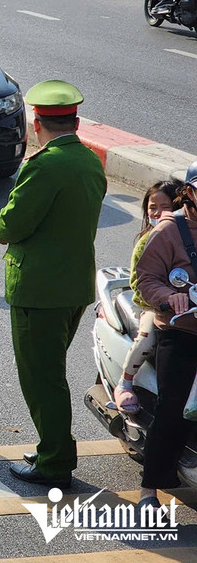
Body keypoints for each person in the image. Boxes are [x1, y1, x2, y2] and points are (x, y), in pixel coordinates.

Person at [0, 80, 106, 488]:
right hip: (73, 286)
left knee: (43, 378)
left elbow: (9, 225)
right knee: (50, 372)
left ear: (37, 123)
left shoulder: (44, 165)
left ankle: (55, 460)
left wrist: (0, 219)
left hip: (39, 290)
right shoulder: (89, 160)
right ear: (74, 121)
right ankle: (49, 448)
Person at [134, 161, 197, 512]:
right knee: (173, 407)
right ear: (188, 193)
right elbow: (146, 279)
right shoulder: (168, 231)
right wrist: (167, 297)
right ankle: (150, 490)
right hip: (181, 329)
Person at [115, 180, 184, 413]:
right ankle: (125, 382)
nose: (157, 213)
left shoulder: (188, 237)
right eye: (153, 207)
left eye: (165, 207)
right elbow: (138, 280)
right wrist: (164, 299)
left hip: (188, 308)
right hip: (153, 307)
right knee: (148, 337)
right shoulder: (150, 239)